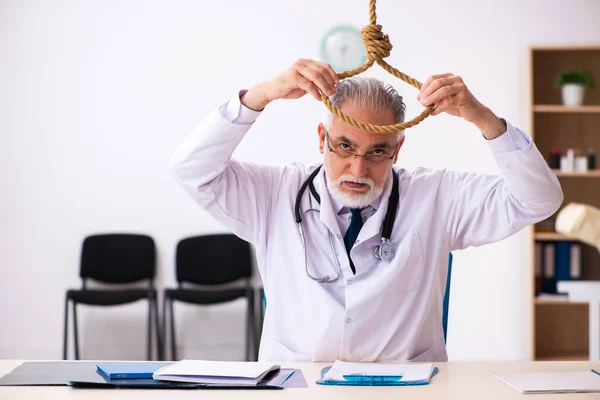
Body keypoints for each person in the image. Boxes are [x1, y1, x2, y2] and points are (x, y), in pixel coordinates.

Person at [169, 59, 563, 362]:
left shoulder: (437, 196)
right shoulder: (275, 193)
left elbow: (539, 199)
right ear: (322, 138)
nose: (359, 169)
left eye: (378, 152)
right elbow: (191, 170)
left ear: (398, 149)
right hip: (299, 388)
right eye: (344, 147)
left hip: (406, 389)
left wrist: (482, 117)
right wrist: (260, 95)